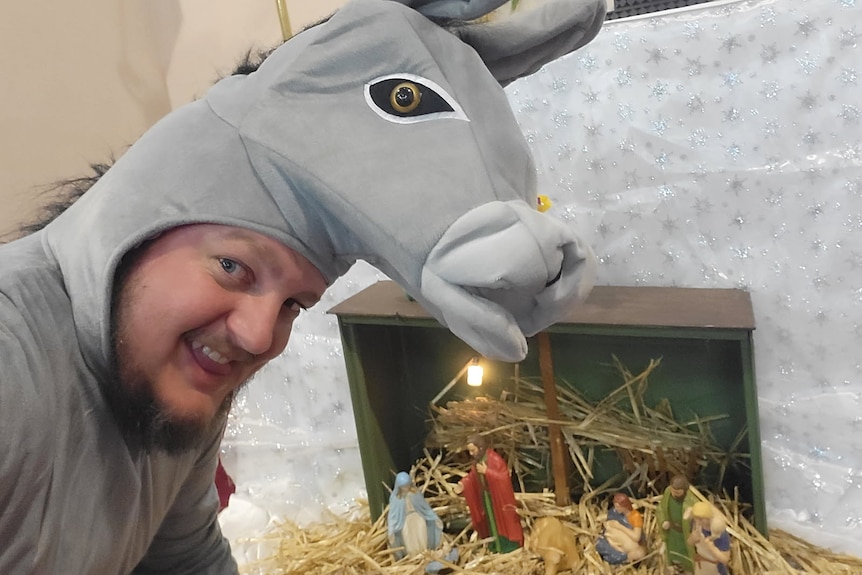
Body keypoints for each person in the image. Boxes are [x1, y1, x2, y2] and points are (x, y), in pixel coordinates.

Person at [0, 0, 604, 572]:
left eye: (294, 303)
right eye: (232, 268)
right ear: (133, 223)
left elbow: (185, 560)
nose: (260, 334)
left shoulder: (175, 388)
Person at [453, 434, 524, 553]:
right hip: (486, 497)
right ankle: (495, 545)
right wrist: (463, 484)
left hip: (499, 498)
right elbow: (473, 477)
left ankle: (508, 546)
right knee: (491, 522)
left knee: (503, 523)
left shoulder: (494, 459)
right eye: (470, 451)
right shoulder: (478, 461)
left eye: (473, 450)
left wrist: (487, 472)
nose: (471, 454)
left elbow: (504, 477)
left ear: (480, 448)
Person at [657, 474, 699, 574]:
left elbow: (698, 519)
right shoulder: (668, 493)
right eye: (673, 491)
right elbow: (661, 509)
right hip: (672, 531)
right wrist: (663, 521)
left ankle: (689, 569)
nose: (674, 494)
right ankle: (674, 567)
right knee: (672, 550)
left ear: (684, 491)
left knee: (686, 552)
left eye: (677, 492)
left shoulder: (691, 501)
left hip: (685, 533)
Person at [595, 493, 646, 564]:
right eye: (615, 506)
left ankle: (624, 556)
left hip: (631, 542)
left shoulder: (635, 516)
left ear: (625, 506)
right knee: (601, 543)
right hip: (617, 540)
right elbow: (608, 524)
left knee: (639, 553)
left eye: (618, 507)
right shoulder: (615, 513)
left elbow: (636, 537)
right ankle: (618, 551)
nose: (616, 509)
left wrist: (619, 526)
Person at [687, 502, 731, 575]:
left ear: (708, 518)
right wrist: (692, 538)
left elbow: (725, 560)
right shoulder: (695, 524)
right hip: (701, 566)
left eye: (701, 519)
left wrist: (712, 548)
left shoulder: (720, 533)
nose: (698, 521)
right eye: (696, 518)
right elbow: (689, 542)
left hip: (715, 568)